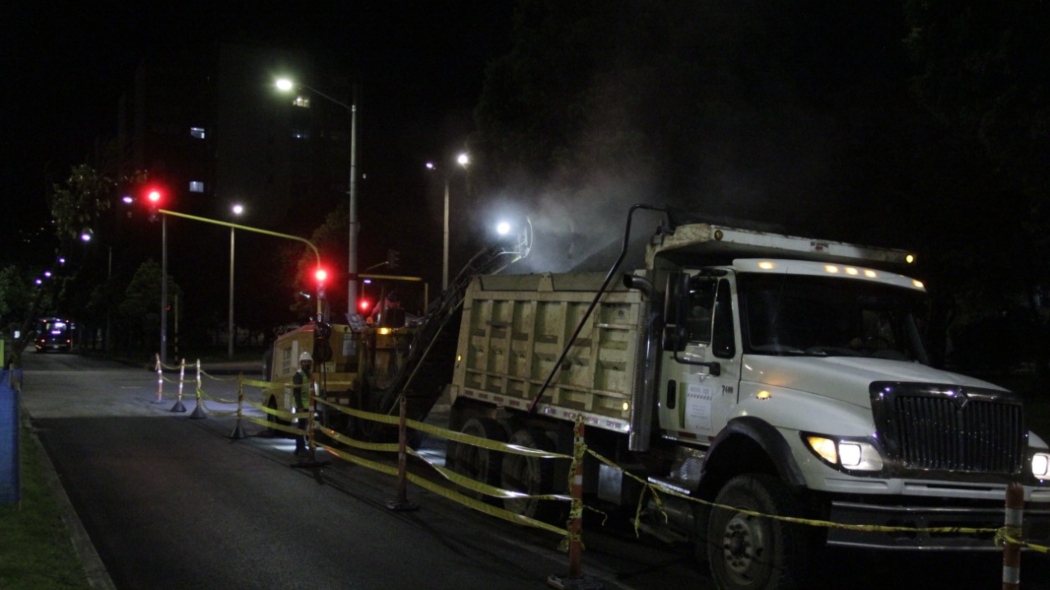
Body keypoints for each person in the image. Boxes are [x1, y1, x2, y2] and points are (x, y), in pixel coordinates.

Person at [292, 350, 313, 457]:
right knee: (301, 427)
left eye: (308, 362)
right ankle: (300, 447)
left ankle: (299, 448)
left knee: (303, 427)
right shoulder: (299, 375)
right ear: (301, 363)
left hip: (307, 405)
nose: (307, 364)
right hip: (301, 406)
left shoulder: (308, 374)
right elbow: (296, 392)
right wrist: (299, 406)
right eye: (305, 362)